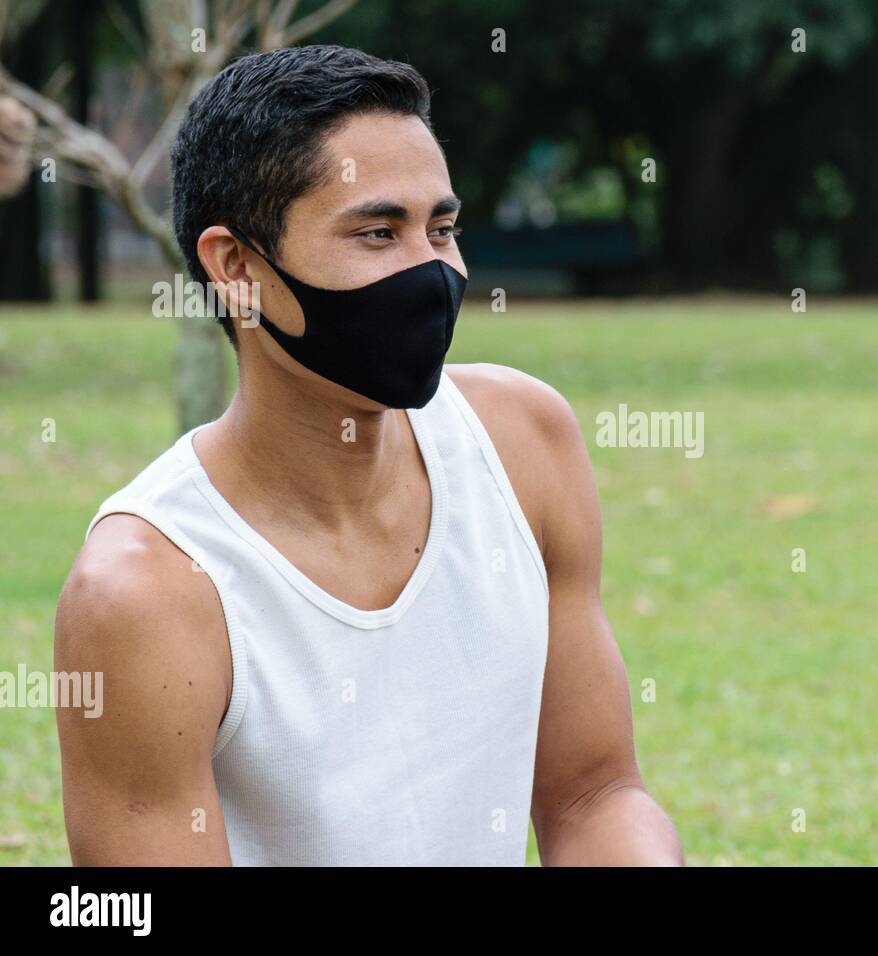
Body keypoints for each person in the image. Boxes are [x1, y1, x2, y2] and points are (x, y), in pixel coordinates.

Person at [53, 44, 682, 866]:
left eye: (443, 229)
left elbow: (595, 793)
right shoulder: (142, 591)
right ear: (236, 268)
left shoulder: (524, 443)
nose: (433, 271)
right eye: (379, 233)